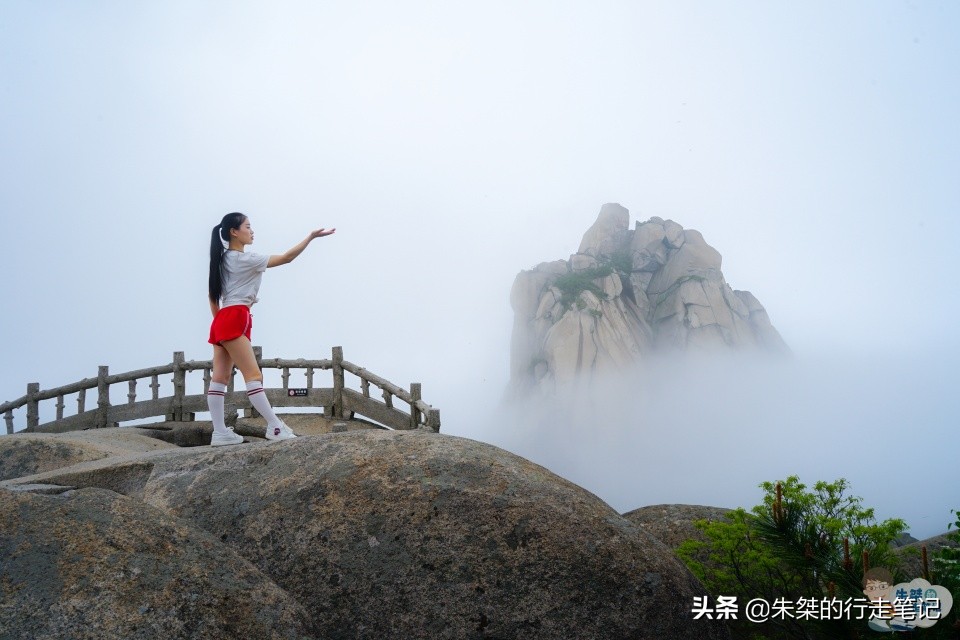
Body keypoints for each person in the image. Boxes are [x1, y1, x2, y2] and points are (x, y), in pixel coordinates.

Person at [207, 212, 335, 446]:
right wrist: (310, 237)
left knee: (220, 378)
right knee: (253, 376)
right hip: (236, 316)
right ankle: (275, 426)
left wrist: (221, 323)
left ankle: (220, 432)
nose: (252, 231)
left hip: (223, 317)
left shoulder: (221, 259)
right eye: (247, 226)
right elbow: (287, 258)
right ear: (234, 232)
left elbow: (212, 296)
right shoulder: (245, 259)